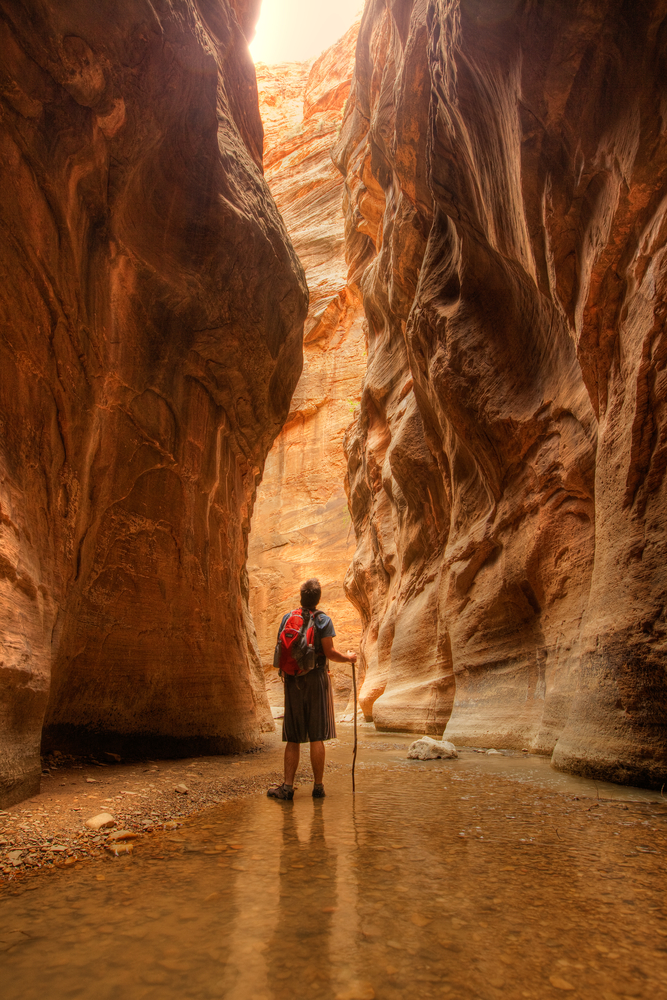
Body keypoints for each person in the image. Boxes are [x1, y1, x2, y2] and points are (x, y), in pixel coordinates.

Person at [267, 578, 357, 800]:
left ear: (301, 597)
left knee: (293, 737)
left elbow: (281, 649)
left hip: (293, 681)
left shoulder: (288, 618)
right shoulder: (323, 620)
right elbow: (330, 653)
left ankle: (287, 788)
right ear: (318, 598)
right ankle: (318, 787)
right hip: (316, 679)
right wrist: (349, 658)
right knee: (317, 736)